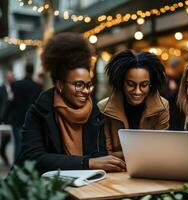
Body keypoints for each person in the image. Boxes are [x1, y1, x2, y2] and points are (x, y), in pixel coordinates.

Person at [16, 32, 125, 174]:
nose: (86, 91)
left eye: (88, 85)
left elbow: (98, 154)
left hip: (86, 183)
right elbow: (33, 158)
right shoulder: (39, 111)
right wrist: (87, 163)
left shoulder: (95, 112)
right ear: (60, 85)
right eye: (79, 84)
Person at [98, 49, 169, 159]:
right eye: (131, 84)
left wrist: (122, 155)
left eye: (144, 85)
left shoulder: (162, 107)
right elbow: (105, 155)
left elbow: (160, 151)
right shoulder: (103, 108)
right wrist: (143, 154)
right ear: (121, 82)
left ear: (151, 84)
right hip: (115, 172)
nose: (137, 91)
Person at [4, 64, 42, 160]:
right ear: (33, 71)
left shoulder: (16, 84)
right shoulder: (37, 86)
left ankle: (17, 169)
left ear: (25, 70)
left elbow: (11, 102)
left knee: (18, 144)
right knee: (29, 145)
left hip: (17, 119)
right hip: (31, 120)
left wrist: (4, 117)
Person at [160, 57, 185, 130]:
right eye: (181, 66)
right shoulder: (165, 79)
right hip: (170, 113)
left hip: (179, 113)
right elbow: (165, 98)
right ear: (178, 66)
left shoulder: (179, 77)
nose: (182, 68)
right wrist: (174, 90)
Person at [0, 70, 14, 166]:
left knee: (8, 139)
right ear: (6, 78)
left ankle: (2, 153)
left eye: (12, 77)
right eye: (9, 77)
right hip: (3, 119)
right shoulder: (1, 89)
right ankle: (3, 154)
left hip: (12, 118)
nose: (11, 79)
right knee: (5, 139)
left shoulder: (15, 88)